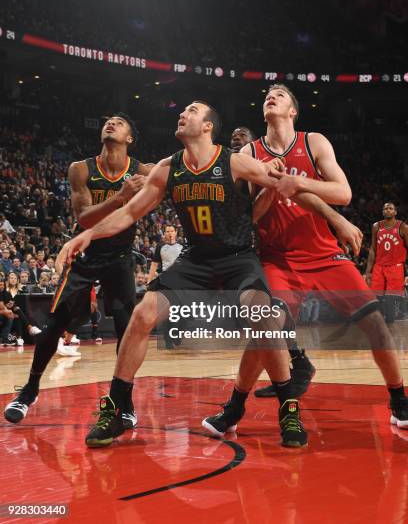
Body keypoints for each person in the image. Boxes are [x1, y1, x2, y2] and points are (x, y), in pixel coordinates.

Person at [55, 99, 342, 449]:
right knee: (142, 314)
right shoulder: (166, 168)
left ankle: (289, 409)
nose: (182, 114)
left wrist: (336, 217)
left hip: (237, 257)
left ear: (207, 126)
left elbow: (290, 186)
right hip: (195, 260)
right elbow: (130, 212)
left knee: (264, 318)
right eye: (182, 110)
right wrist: (87, 234)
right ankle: (117, 408)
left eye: (191, 110)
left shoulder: (235, 161)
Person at [204, 84, 408, 435]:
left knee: (375, 321)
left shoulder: (314, 142)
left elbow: (343, 192)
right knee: (265, 329)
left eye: (280, 94)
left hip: (325, 254)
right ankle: (235, 407)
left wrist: (302, 188)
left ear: (293, 110)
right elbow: (249, 218)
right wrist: (271, 183)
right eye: (267, 93)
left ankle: (400, 400)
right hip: (276, 258)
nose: (271, 95)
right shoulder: (250, 153)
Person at [4, 113, 152, 428]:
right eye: (107, 121)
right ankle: (29, 391)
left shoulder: (143, 171)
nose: (111, 123)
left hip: (121, 257)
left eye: (120, 122)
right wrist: (122, 197)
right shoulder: (81, 169)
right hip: (85, 253)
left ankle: (124, 401)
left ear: (130, 138)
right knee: (56, 324)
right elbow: (84, 218)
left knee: (127, 329)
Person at [230, 125, 316, 398]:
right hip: (241, 248)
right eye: (233, 140)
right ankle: (292, 369)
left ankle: (291, 373)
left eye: (242, 139)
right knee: (264, 320)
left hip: (263, 249)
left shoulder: (262, 169)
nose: (237, 143)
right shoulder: (229, 171)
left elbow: (253, 216)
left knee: (267, 316)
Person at [365, 202, 408, 323]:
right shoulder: (376, 226)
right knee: (376, 298)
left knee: (390, 300)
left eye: (390, 208)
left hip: (396, 267)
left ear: (395, 212)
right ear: (382, 212)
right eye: (385, 208)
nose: (387, 210)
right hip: (379, 267)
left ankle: (390, 326)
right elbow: (373, 249)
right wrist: (368, 271)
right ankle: (382, 326)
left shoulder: (403, 227)